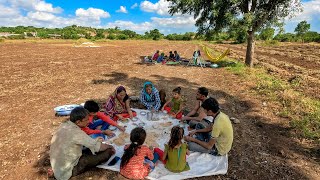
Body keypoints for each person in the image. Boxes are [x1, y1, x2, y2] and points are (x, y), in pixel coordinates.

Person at [50, 107, 115, 180]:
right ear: (78, 122)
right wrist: (109, 146)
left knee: (88, 148)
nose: (89, 121)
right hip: (66, 170)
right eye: (87, 120)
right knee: (107, 152)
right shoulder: (77, 133)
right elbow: (99, 147)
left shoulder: (64, 125)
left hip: (56, 164)